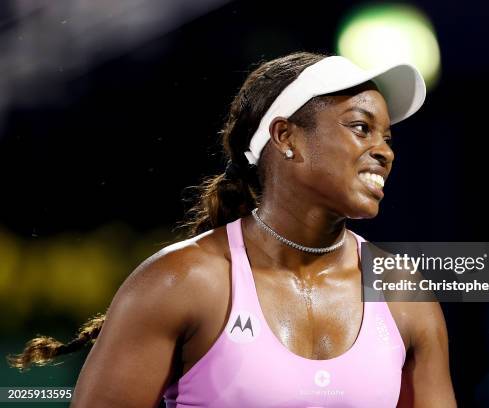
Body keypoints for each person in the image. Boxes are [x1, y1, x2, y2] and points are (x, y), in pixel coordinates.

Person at [8, 52, 456, 407]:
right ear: (286, 138)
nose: (384, 152)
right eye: (361, 128)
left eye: (387, 138)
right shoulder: (183, 281)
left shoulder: (404, 296)